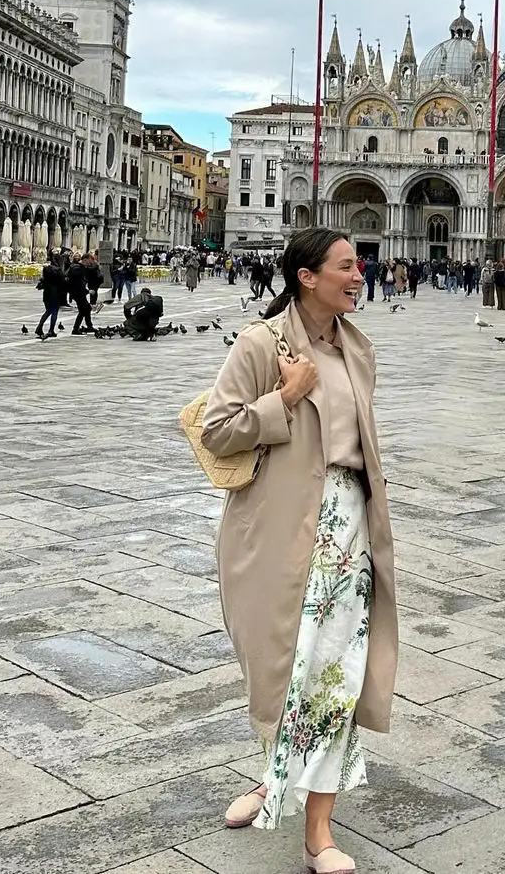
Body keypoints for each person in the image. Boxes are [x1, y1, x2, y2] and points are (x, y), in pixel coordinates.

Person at [203, 228, 398, 869]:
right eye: (346, 265)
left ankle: (319, 830)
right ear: (307, 277)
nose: (359, 273)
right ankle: (273, 779)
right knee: (284, 667)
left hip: (346, 527)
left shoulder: (357, 349)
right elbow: (218, 430)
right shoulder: (262, 344)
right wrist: (284, 395)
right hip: (280, 525)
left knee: (333, 675)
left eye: (358, 264)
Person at [35, 257, 67, 339]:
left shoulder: (47, 271)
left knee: (48, 311)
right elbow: (63, 282)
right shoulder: (58, 272)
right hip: (56, 294)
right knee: (54, 312)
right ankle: (51, 330)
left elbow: (42, 282)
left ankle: (39, 327)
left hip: (47, 294)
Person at [67, 256, 95, 335]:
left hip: (78, 293)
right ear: (85, 260)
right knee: (83, 311)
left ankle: (89, 327)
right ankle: (75, 329)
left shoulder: (80, 268)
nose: (90, 262)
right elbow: (77, 284)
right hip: (78, 293)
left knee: (88, 308)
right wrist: (88, 291)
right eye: (89, 260)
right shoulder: (78, 269)